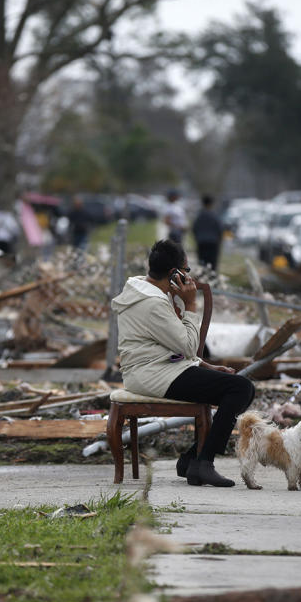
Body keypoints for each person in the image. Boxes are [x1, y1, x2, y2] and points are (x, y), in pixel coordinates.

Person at [110, 239, 255, 487]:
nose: (189, 276)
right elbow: (186, 346)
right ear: (173, 273)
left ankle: (192, 460)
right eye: (186, 270)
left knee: (234, 386)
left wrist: (205, 366)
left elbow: (172, 347)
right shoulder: (152, 304)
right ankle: (203, 462)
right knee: (241, 388)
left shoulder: (140, 289)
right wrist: (190, 304)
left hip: (158, 369)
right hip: (154, 375)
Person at [192, 194, 223, 270]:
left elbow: (194, 228)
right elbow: (220, 229)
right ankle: (212, 279)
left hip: (201, 242)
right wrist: (219, 240)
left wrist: (197, 238)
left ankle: (203, 279)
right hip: (213, 243)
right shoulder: (215, 216)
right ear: (211, 204)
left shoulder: (199, 216)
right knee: (212, 264)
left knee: (202, 264)